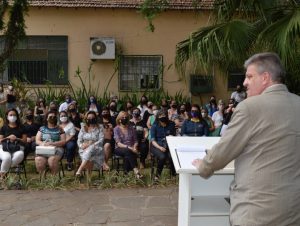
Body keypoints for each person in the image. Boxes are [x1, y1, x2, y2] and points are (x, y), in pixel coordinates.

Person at [192, 52, 300, 225]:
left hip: (256, 211)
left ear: (265, 78)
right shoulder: (297, 103)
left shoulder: (249, 107)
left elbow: (224, 151)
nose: (244, 83)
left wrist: (203, 165)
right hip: (293, 209)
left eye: (249, 76)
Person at [35, 111, 66, 175]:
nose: (52, 118)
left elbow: (63, 141)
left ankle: (53, 180)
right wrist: (43, 144)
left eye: (54, 117)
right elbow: (37, 140)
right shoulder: (42, 128)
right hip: (44, 149)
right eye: (50, 117)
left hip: (57, 149)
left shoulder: (60, 129)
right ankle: (43, 180)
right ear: (47, 118)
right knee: (39, 160)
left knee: (52, 160)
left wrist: (53, 143)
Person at [113, 111, 143, 178]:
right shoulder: (116, 129)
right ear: (119, 119)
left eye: (126, 117)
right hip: (119, 148)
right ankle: (136, 170)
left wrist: (135, 147)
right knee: (128, 151)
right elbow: (118, 143)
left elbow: (136, 140)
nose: (124, 118)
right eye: (122, 117)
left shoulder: (131, 128)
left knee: (127, 154)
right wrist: (130, 148)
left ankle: (125, 175)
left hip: (131, 148)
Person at [76, 111, 104, 177]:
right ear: (86, 119)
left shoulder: (100, 127)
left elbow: (101, 140)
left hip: (97, 148)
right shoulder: (83, 127)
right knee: (89, 156)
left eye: (92, 117)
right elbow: (79, 140)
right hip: (84, 149)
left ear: (95, 118)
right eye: (89, 118)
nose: (91, 119)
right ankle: (88, 179)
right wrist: (81, 145)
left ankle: (80, 169)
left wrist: (90, 144)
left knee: (90, 149)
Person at [150, 109, 176, 181]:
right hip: (156, 145)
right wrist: (160, 147)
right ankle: (157, 176)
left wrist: (172, 137)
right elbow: (153, 140)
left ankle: (173, 175)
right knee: (162, 157)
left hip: (168, 145)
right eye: (161, 116)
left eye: (164, 115)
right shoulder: (154, 126)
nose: (163, 117)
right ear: (158, 117)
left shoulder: (171, 124)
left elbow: (174, 136)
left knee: (172, 156)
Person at [0, 108, 26, 179]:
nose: (12, 116)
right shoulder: (4, 127)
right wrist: (8, 137)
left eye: (14, 115)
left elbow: (24, 141)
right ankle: (2, 177)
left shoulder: (22, 127)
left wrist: (16, 138)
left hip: (17, 148)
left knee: (20, 155)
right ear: (7, 116)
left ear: (17, 116)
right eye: (10, 115)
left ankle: (3, 171)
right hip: (5, 148)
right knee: (6, 158)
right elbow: (0, 140)